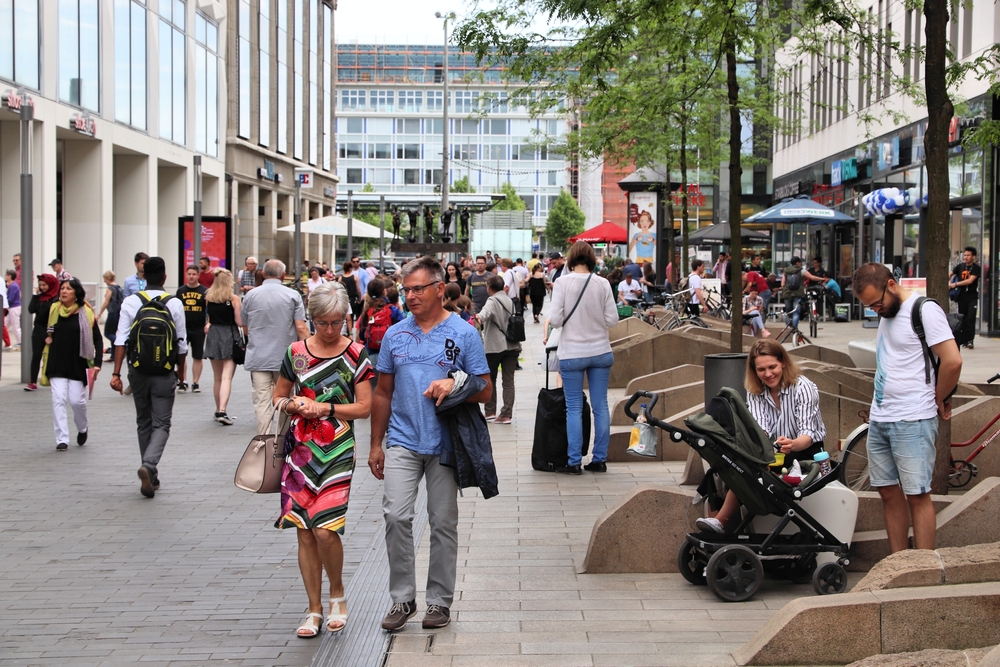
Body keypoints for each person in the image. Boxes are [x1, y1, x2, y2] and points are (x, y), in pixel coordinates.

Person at [368, 256, 491, 632]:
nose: (410, 297)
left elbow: (485, 390)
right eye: (405, 290)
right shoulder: (395, 334)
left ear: (440, 288)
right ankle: (402, 599)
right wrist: (376, 444)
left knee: (442, 523)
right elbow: (383, 393)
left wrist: (453, 384)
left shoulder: (464, 333)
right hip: (403, 440)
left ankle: (439, 602)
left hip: (444, 443)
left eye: (418, 289)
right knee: (395, 516)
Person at [272, 281, 374, 638]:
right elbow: (278, 396)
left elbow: (364, 407)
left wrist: (325, 407)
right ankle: (313, 609)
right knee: (303, 531)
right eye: (322, 322)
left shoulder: (356, 354)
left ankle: (337, 594)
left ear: (346, 318)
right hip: (300, 451)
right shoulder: (296, 352)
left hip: (338, 448)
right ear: (311, 319)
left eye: (336, 322)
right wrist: (293, 404)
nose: (330, 330)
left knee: (325, 530)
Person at [853, 263, 961, 552]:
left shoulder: (923, 310)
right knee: (888, 492)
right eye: (868, 306)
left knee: (917, 494)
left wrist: (938, 398)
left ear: (891, 285)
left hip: (913, 418)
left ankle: (922, 569)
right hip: (881, 417)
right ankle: (898, 563)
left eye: (877, 302)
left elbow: (952, 361)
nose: (875, 309)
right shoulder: (888, 312)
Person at [696, 339, 826, 533]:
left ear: (783, 362)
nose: (768, 374)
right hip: (774, 451)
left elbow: (807, 434)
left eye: (772, 367)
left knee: (747, 469)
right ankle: (716, 523)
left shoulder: (803, 388)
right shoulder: (755, 390)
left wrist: (791, 444)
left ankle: (721, 521)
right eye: (761, 370)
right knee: (732, 464)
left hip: (806, 451)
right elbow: (760, 429)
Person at [110, 256, 188, 498]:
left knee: (143, 421)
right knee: (162, 423)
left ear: (142, 276)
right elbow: (181, 344)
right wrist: (180, 375)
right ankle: (150, 466)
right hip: (164, 371)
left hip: (138, 371)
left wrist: (116, 373)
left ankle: (150, 472)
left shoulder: (131, 301)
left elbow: (121, 339)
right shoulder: (174, 303)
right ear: (165, 277)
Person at [549, 241, 618, 475]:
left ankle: (573, 461)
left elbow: (556, 321)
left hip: (573, 354)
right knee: (601, 406)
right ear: (590, 258)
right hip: (601, 351)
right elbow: (613, 319)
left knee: (574, 408)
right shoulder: (603, 283)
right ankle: (599, 460)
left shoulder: (562, 283)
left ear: (570, 259)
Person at [242, 259, 310, 435]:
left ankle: (264, 441)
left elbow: (245, 327)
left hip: (258, 356)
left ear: (263, 274)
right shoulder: (293, 295)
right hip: (285, 358)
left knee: (261, 402)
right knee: (286, 401)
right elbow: (301, 327)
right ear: (282, 275)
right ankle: (283, 440)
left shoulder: (250, 296)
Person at [42, 278, 102, 451]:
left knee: (77, 402)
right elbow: (40, 327)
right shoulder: (53, 309)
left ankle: (82, 428)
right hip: (57, 362)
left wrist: (97, 363)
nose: (64, 291)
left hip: (78, 364)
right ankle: (62, 439)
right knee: (58, 399)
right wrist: (44, 337)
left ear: (76, 293)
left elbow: (97, 339)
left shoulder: (86, 312)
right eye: (62, 288)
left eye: (68, 289)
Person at [203, 269, 244, 425]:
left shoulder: (209, 297)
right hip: (229, 335)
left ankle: (217, 409)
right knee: (227, 377)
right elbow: (239, 322)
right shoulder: (233, 299)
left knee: (217, 377)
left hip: (213, 335)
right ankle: (222, 410)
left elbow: (210, 318)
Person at [479, 274, 520, 424]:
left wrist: (477, 317)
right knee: (508, 381)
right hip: (512, 345)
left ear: (489, 287)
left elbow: (484, 314)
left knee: (491, 379)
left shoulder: (492, 300)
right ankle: (506, 414)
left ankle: (490, 411)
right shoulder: (509, 300)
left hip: (495, 347)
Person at [175, 266, 208, 393]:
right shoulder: (180, 291)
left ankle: (195, 382)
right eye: (189, 274)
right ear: (186, 275)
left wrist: (208, 323)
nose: (191, 276)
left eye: (194, 274)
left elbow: (208, 309)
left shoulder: (204, 291)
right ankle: (182, 381)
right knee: (181, 355)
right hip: (183, 328)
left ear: (198, 275)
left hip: (199, 327)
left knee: (198, 356)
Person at [25, 274, 61, 391]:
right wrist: (35, 295)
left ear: (50, 284)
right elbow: (31, 310)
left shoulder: (56, 299)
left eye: (44, 285)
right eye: (40, 285)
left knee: (53, 357)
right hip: (39, 331)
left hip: (52, 331)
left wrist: (49, 335)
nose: (42, 287)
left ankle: (53, 380)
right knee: (36, 356)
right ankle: (32, 381)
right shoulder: (39, 298)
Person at [950, 246, 981, 349]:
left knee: (971, 317)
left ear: (973, 257)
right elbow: (950, 274)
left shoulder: (976, 268)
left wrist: (956, 284)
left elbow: (970, 281)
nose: (966, 257)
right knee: (962, 317)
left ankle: (970, 340)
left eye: (968, 255)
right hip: (961, 296)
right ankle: (964, 340)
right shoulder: (960, 266)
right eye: (965, 255)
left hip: (972, 296)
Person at [96, 270, 123, 357]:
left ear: (108, 278)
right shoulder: (119, 288)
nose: (104, 281)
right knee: (113, 332)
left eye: (104, 279)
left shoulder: (110, 288)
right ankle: (113, 355)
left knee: (108, 333)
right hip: (118, 313)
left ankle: (120, 345)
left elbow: (106, 302)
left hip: (112, 312)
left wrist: (99, 313)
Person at [781, 256, 808, 329]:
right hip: (798, 294)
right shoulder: (801, 270)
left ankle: (788, 329)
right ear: (797, 263)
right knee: (796, 312)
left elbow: (782, 284)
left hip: (787, 294)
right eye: (800, 262)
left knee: (788, 312)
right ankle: (794, 329)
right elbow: (812, 277)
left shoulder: (786, 271)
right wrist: (822, 278)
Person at [4, 269, 21, 348]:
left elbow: (11, 299)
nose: (5, 276)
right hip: (11, 308)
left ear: (10, 276)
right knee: (4, 325)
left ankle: (20, 342)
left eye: (6, 275)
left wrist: (5, 303)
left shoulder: (13, 286)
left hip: (14, 308)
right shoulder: (11, 285)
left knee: (15, 326)